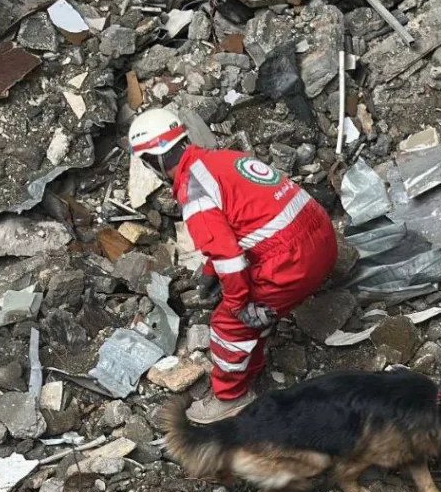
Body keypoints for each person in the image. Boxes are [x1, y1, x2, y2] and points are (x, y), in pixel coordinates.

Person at [129, 108, 338, 424]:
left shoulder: (194, 189)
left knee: (229, 324)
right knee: (250, 306)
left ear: (153, 161)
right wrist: (212, 273)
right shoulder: (221, 160)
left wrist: (237, 302)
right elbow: (243, 224)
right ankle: (253, 353)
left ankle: (231, 397)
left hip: (293, 261)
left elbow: (230, 257)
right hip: (322, 239)